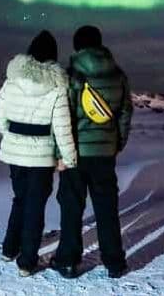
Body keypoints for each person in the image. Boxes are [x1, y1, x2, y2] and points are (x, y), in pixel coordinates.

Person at [0, 30, 78, 277]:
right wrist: (69, 158)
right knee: (35, 206)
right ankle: (27, 262)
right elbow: (62, 127)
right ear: (53, 56)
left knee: (19, 199)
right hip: (42, 157)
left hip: (15, 153)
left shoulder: (12, 81)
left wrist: (11, 135)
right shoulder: (57, 86)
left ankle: (9, 249)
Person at [51, 25, 133, 279]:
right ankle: (115, 263)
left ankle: (67, 261)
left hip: (74, 153)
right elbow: (125, 113)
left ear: (77, 46)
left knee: (71, 208)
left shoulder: (72, 75)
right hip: (104, 154)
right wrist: (116, 143)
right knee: (107, 208)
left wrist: (58, 153)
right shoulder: (118, 75)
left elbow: (62, 117)